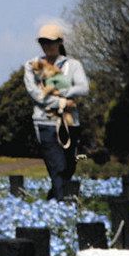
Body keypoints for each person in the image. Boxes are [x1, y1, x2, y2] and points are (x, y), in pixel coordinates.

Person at [23, 23, 89, 200]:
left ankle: (54, 201)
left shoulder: (72, 65)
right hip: (45, 122)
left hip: (70, 122)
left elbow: (83, 88)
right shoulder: (33, 65)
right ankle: (64, 205)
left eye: (51, 41)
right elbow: (37, 95)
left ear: (60, 42)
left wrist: (65, 93)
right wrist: (62, 102)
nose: (47, 45)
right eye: (43, 42)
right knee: (57, 165)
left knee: (69, 167)